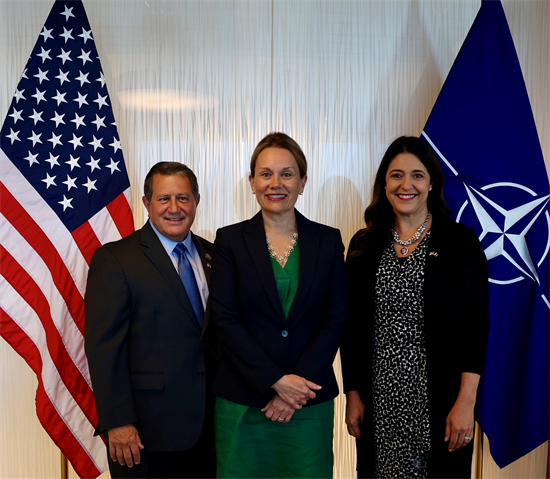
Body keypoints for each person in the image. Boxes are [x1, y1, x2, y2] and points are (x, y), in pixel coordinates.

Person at [341, 136, 490, 479]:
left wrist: (466, 402)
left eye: (417, 175)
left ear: (432, 182)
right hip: (379, 404)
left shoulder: (459, 242)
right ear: (384, 183)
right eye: (396, 175)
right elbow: (352, 329)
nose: (406, 184)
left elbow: (476, 326)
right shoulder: (363, 245)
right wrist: (353, 393)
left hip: (441, 404)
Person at [209, 132, 348, 479]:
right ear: (252, 181)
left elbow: (336, 317)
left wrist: (292, 389)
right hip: (243, 399)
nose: (276, 183)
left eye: (287, 173)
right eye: (266, 173)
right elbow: (225, 319)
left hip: (307, 400)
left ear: (302, 181)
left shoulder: (328, 240)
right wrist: (274, 381)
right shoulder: (229, 240)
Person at [85, 162, 217, 478]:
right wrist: (117, 422)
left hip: (210, 429)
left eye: (183, 198)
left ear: (197, 201)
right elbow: (104, 349)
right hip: (144, 435)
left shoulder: (215, 255)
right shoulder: (115, 259)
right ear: (147, 203)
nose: (175, 208)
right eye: (164, 198)